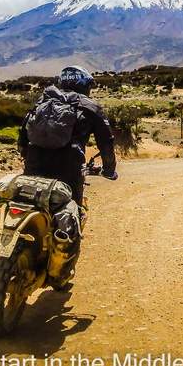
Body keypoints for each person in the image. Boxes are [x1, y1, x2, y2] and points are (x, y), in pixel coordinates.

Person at [16, 66, 117, 290]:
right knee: (74, 214)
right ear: (85, 86)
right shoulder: (90, 106)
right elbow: (106, 143)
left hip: (33, 164)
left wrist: (27, 157)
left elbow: (23, 134)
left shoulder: (43, 101)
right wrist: (109, 169)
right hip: (68, 169)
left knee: (27, 202)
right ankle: (61, 271)